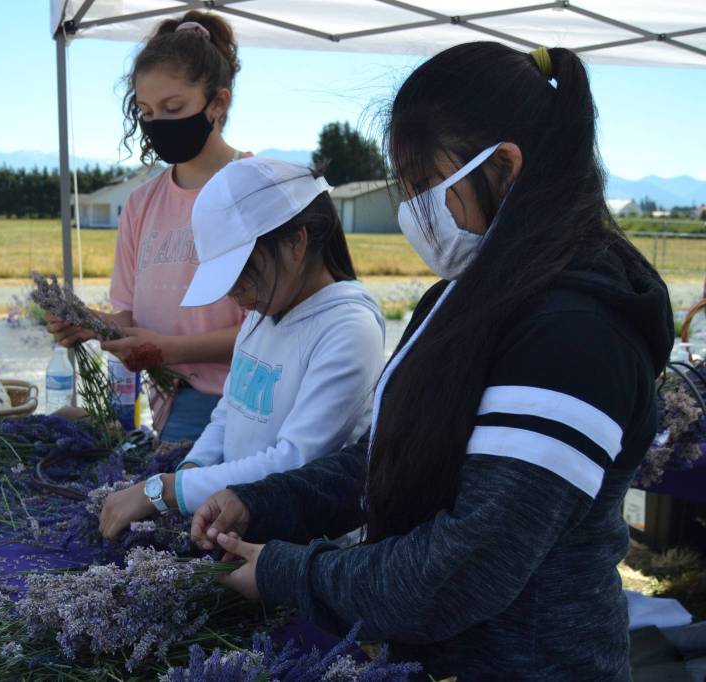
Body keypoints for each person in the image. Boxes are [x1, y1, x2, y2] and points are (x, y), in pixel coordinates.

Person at [190, 43, 674, 681]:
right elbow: (394, 461)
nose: (412, 210)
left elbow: (468, 567)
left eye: (423, 186)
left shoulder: (578, 335)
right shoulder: (461, 298)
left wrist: (289, 572)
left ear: (503, 168)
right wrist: (264, 501)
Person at [99, 157, 385, 540]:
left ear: (295, 242)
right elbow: (229, 409)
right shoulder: (264, 310)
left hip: (300, 551)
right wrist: (193, 468)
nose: (235, 294)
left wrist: (167, 491)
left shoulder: (348, 329)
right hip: (239, 524)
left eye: (239, 273)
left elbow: (296, 460)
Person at [47, 11, 248, 441]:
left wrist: (168, 350)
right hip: (165, 402)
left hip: (235, 403)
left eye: (173, 108)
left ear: (218, 103)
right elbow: (130, 319)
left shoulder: (253, 190)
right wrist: (91, 324)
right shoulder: (141, 204)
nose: (157, 124)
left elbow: (270, 329)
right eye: (146, 112)